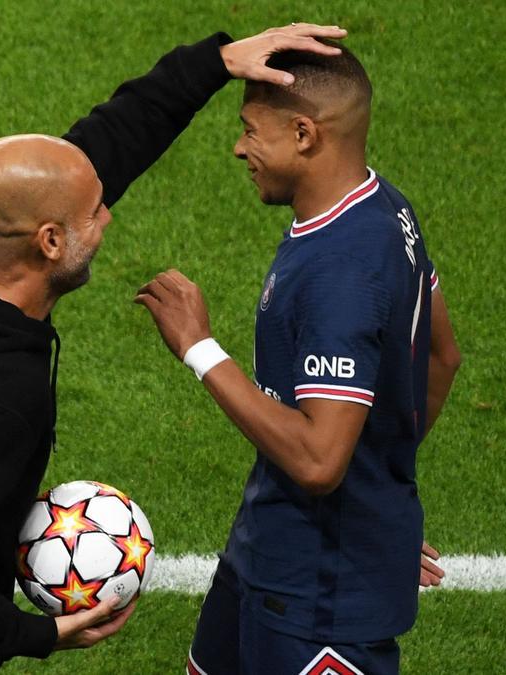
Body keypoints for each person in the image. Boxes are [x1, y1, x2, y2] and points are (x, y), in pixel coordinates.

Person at [0, 24, 348, 674]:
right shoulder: (2, 399)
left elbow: (98, 149)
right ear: (50, 242)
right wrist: (37, 633)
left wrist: (214, 63)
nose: (108, 215)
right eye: (95, 213)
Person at [134, 41, 461, 674]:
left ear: (304, 134)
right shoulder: (386, 207)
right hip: (265, 554)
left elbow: (317, 461)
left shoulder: (339, 271)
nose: (239, 149)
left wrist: (198, 348)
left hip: (316, 602)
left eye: (250, 132)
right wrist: (378, 507)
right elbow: (441, 357)